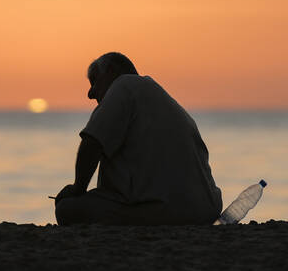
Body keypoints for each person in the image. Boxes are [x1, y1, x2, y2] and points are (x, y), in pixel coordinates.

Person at [55, 52, 222, 225]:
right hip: (206, 210)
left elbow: (92, 143)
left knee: (66, 208)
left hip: (166, 211)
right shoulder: (162, 101)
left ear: (111, 71)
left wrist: (78, 188)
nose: (90, 94)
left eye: (94, 81)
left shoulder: (123, 85)